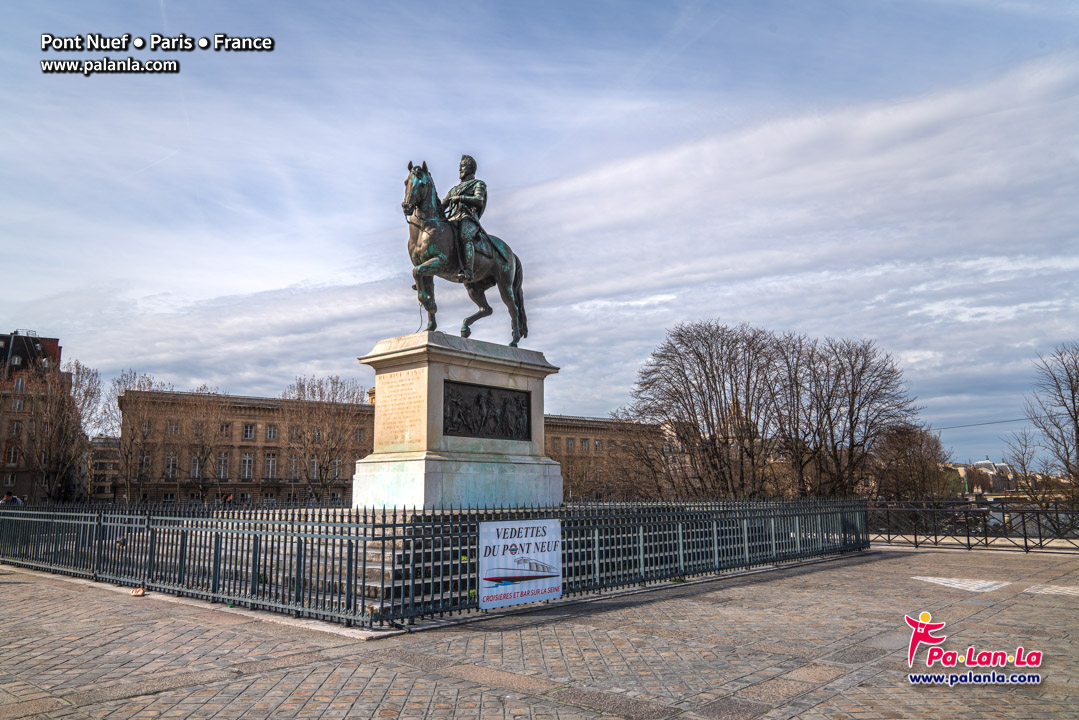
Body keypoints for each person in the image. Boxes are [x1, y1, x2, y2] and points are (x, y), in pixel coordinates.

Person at [440, 154, 487, 282]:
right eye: (459, 167)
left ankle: (468, 271)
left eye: (463, 167)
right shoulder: (454, 189)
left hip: (468, 218)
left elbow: (479, 200)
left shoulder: (478, 184)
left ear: (471, 168)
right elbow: (442, 206)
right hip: (453, 219)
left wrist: (461, 198)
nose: (460, 170)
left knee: (464, 236)